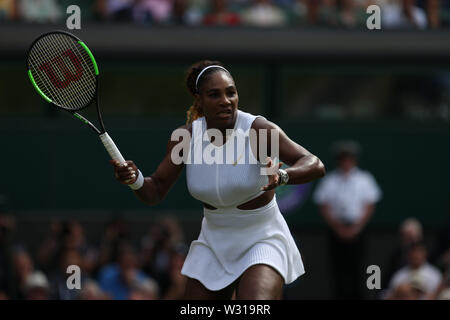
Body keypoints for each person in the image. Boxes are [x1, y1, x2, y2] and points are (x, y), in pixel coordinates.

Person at [110, 60, 325, 300]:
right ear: (199, 100)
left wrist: (284, 175)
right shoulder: (187, 137)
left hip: (262, 237)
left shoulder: (258, 130)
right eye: (214, 94)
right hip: (214, 241)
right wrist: (134, 179)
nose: (226, 100)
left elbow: (314, 163)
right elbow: (155, 190)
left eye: (231, 92)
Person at [313, 140, 382, 299]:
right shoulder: (329, 180)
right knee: (338, 270)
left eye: (349, 158)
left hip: (358, 230)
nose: (346, 162)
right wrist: (337, 228)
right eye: (342, 158)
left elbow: (370, 205)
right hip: (336, 231)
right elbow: (324, 205)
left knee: (359, 269)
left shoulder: (365, 179)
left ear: (354, 159)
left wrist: (357, 227)